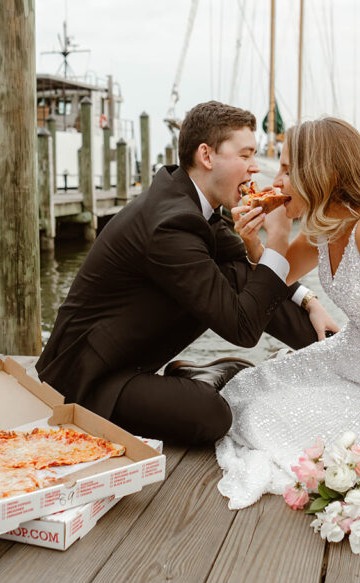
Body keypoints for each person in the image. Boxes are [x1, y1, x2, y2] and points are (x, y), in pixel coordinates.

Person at [34, 101, 338, 446]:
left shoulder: (192, 205)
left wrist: (308, 299)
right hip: (87, 382)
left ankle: (329, 361)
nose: (255, 169)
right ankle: (207, 377)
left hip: (134, 361)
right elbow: (241, 328)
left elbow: (244, 266)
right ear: (207, 156)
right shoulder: (170, 224)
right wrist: (279, 240)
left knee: (242, 274)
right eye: (245, 155)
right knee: (213, 416)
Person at [215, 117, 360, 510]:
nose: (277, 180)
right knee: (245, 390)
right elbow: (276, 280)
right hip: (357, 353)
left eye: (289, 169)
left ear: (319, 172)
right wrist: (255, 243)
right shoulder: (326, 224)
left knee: (260, 416)